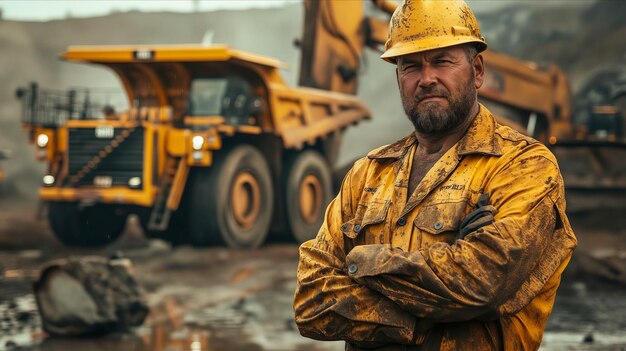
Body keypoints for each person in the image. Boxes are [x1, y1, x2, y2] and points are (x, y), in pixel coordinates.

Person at [293, 1, 577, 350]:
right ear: (398, 77)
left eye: (442, 61)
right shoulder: (366, 174)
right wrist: (417, 321)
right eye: (411, 66)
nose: (426, 79)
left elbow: (483, 283)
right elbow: (310, 302)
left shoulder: (524, 166)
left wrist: (364, 262)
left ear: (476, 70)